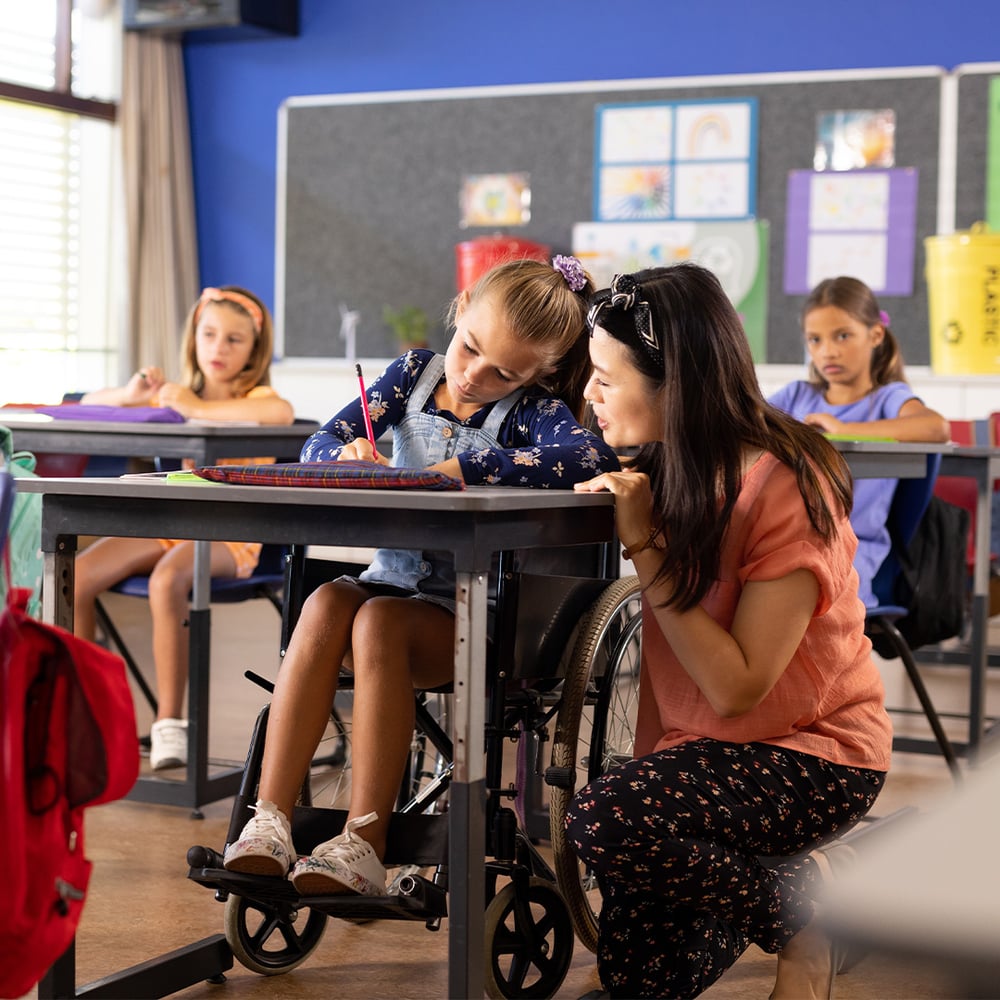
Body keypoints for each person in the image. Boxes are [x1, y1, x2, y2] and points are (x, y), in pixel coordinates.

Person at [222, 255, 619, 897]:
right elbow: (316, 445)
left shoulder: (532, 412)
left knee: (378, 620)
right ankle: (269, 822)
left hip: (475, 616)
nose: (474, 374)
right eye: (470, 348)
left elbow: (587, 454)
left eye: (505, 373)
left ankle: (364, 842)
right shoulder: (408, 376)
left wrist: (478, 464)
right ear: (460, 309)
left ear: (539, 374)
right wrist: (348, 455)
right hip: (390, 584)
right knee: (326, 602)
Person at [565, 263, 892, 999]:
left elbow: (737, 687)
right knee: (638, 985)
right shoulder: (660, 460)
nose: (590, 394)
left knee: (606, 821)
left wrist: (647, 545)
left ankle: (804, 915)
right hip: (701, 759)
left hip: (812, 756)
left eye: (606, 379)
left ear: (673, 383)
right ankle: (777, 886)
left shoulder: (784, 482)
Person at [73, 285, 295, 770]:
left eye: (234, 340)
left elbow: (279, 413)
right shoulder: (175, 393)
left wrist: (192, 408)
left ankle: (170, 722)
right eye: (209, 334)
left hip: (231, 537)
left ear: (254, 351)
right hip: (171, 525)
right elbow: (83, 403)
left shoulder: (255, 397)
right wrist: (133, 395)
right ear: (193, 336)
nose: (218, 348)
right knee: (77, 577)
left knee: (170, 576)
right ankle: (86, 714)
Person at [769, 276, 949, 607]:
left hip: (853, 552)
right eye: (815, 340)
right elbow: (742, 423)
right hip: (785, 538)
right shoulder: (796, 395)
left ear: (875, 335)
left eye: (843, 335)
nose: (828, 351)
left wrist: (843, 430)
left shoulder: (886, 398)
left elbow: (936, 427)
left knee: (782, 590)